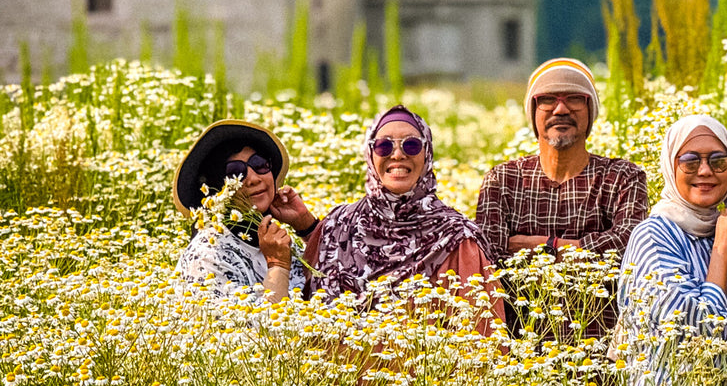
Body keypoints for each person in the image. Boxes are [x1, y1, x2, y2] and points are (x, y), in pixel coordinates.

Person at [306, 104, 502, 329]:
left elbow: (482, 335)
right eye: (384, 146)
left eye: (411, 145)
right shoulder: (338, 226)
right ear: (369, 154)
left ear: (427, 154)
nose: (398, 154)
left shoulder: (457, 239)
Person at [614, 115, 727, 386]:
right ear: (671, 166)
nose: (705, 171)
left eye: (718, 161)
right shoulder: (654, 235)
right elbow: (695, 330)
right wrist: (721, 247)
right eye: (690, 161)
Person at [475, 58, 649, 264]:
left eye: (574, 99)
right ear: (533, 112)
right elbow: (489, 258)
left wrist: (547, 246)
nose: (561, 110)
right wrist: (583, 251)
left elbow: (628, 246)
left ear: (590, 111)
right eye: (548, 99)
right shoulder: (503, 180)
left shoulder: (621, 177)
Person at [173, 119, 318, 303]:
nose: (254, 179)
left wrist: (307, 227)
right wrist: (278, 265)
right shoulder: (208, 256)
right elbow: (263, 320)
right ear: (215, 189)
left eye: (259, 164)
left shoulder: (276, 241)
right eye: (235, 173)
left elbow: (338, 282)